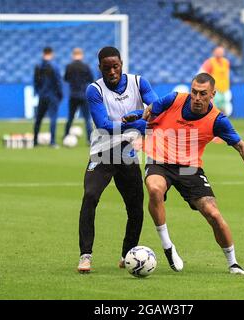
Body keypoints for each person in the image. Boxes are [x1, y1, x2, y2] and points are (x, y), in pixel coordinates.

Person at [138, 73, 244, 275]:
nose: (197, 98)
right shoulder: (175, 98)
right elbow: (150, 110)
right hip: (160, 160)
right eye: (194, 92)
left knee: (213, 214)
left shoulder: (218, 119)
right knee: (155, 189)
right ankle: (168, 246)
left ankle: (233, 263)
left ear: (212, 94)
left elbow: (241, 145)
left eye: (203, 94)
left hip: (189, 168)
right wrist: (143, 120)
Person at [77, 46, 158, 273]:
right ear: (99, 67)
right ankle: (85, 255)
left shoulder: (139, 83)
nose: (112, 71)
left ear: (122, 64)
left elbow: (157, 110)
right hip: (102, 151)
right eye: (106, 67)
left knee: (135, 206)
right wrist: (136, 123)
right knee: (90, 196)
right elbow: (103, 125)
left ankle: (128, 254)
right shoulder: (94, 90)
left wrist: (139, 121)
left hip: (128, 153)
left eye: (115, 66)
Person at [33, 47, 63, 148]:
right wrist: (60, 94)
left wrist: (39, 92)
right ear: (51, 54)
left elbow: (35, 81)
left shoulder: (38, 66)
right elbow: (58, 82)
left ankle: (35, 141)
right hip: (52, 95)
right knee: (53, 118)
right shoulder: (54, 66)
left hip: (42, 95)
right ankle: (52, 142)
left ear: (43, 53)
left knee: (38, 118)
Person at [63, 48, 94, 144]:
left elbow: (66, 78)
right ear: (81, 55)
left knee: (70, 117)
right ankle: (89, 139)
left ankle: (66, 135)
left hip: (73, 95)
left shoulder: (69, 66)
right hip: (83, 95)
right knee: (87, 118)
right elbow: (91, 79)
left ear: (73, 55)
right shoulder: (86, 66)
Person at [199, 45, 232, 116]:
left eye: (221, 51)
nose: (220, 53)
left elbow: (227, 75)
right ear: (214, 52)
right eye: (218, 51)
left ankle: (221, 124)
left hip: (224, 89)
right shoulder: (209, 62)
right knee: (213, 109)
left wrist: (228, 86)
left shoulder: (226, 62)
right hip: (214, 90)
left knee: (222, 109)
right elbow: (202, 74)